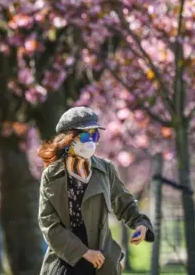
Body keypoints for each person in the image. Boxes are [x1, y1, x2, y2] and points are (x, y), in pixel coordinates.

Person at [37, 107, 154, 275]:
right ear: (68, 139)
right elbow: (49, 224)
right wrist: (83, 252)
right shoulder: (51, 175)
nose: (91, 141)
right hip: (66, 258)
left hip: (102, 260)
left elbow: (124, 203)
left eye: (95, 135)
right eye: (85, 135)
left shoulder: (105, 169)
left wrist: (140, 224)